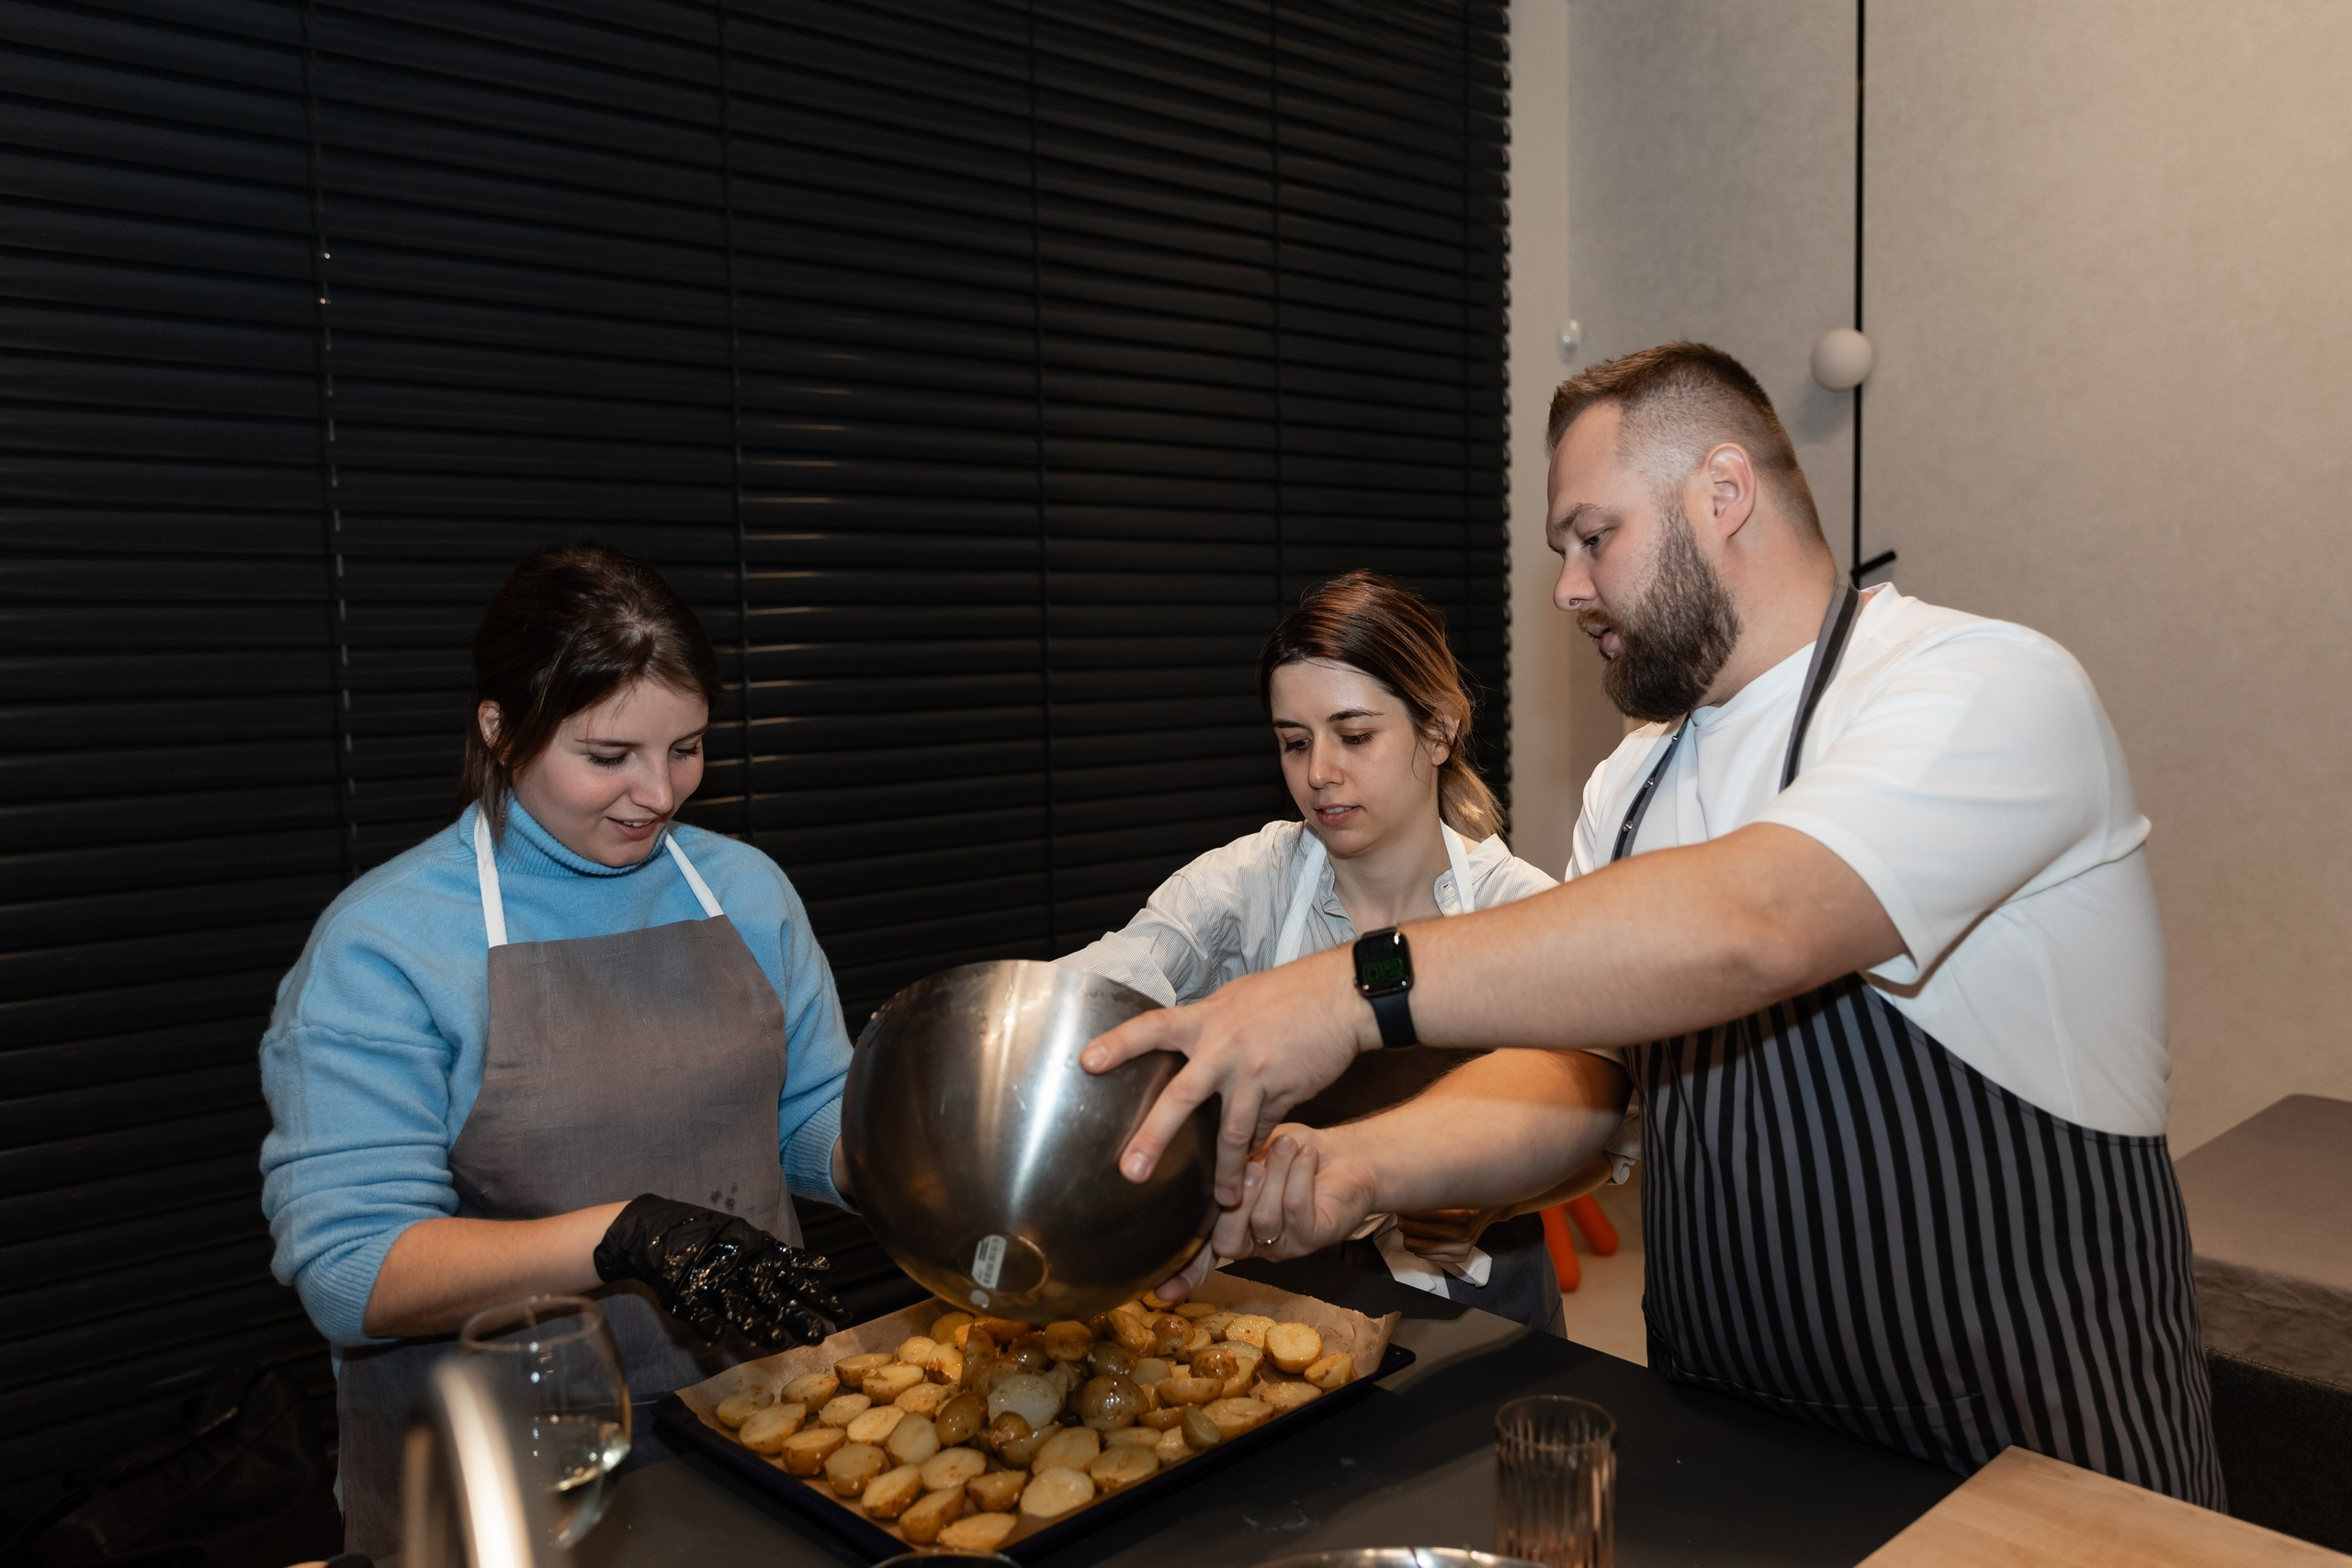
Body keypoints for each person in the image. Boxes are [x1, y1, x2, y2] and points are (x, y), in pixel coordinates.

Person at [1088, 343, 2223, 1504]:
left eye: (1593, 537)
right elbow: (1578, 1085)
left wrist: (1344, 990)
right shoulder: (1630, 787)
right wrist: (1349, 1167)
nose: (1568, 589)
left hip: (2026, 1468)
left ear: (1722, 495)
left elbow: (1758, 922)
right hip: (1725, 1441)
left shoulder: (1981, 686)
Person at [259, 543, 852, 1556]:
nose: (659, 794)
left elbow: (801, 1122)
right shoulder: (386, 944)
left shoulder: (745, 889)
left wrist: (931, 1161)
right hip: (500, 1476)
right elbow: (353, 1272)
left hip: (757, 1428)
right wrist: (624, 1237)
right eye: (608, 756)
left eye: (689, 748)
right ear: (500, 729)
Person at [1060, 571, 1605, 1335]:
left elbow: (1606, 1109)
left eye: (1354, 736)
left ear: (1440, 729)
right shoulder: (1248, 885)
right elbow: (1111, 981)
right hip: (1288, 1306)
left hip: (1484, 1310)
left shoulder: (1516, 905)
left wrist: (1496, 1195)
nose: (1319, 772)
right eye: (1294, 742)